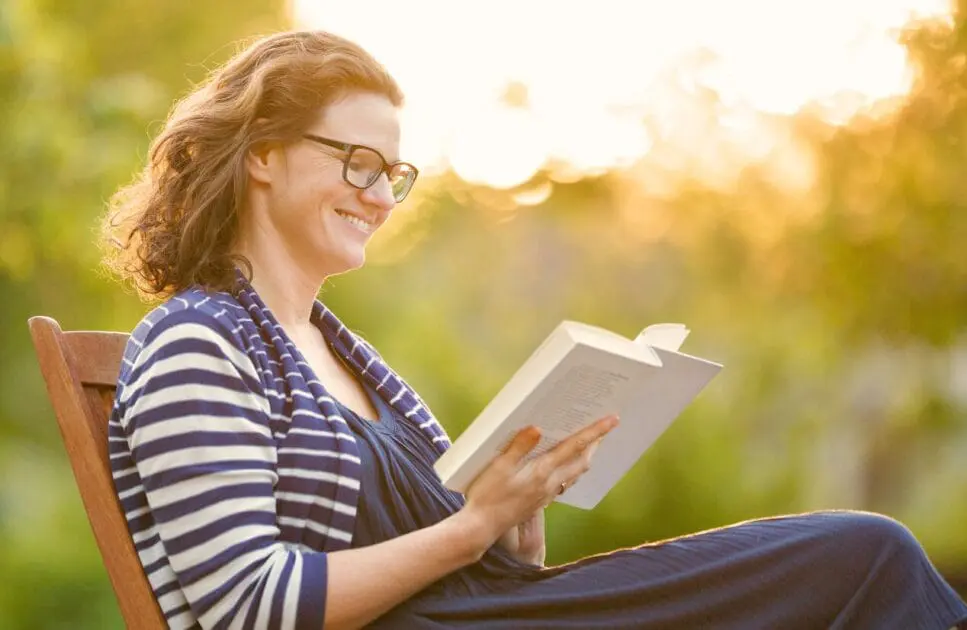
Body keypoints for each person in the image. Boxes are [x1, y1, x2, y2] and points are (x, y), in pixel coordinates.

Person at [102, 30, 967, 630]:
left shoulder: (345, 353)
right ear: (260, 152)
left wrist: (516, 521)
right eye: (356, 162)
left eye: (392, 173)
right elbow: (252, 607)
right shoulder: (198, 343)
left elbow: (466, 555)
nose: (378, 194)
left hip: (492, 613)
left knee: (851, 558)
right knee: (858, 555)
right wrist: (472, 529)